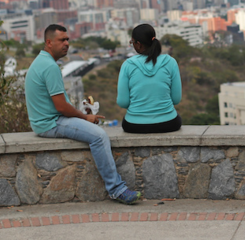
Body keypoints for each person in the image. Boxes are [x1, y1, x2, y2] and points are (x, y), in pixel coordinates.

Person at [24, 24, 141, 204]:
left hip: (47, 120)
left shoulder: (41, 61)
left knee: (95, 131)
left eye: (67, 39)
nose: (66, 43)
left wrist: (81, 114)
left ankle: (116, 188)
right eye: (61, 40)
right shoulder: (49, 67)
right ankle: (116, 189)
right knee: (99, 136)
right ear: (48, 42)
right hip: (51, 123)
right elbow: (61, 107)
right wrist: (85, 117)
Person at [117, 24, 182, 133]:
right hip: (168, 123)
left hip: (134, 125)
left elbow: (123, 102)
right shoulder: (170, 62)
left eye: (132, 42)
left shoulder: (128, 65)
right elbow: (176, 99)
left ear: (138, 44)